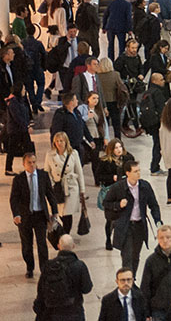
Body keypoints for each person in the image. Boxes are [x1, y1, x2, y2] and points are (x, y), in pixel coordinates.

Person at [104, 159, 163, 274]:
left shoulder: (145, 186)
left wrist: (158, 221)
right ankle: (128, 282)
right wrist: (118, 205)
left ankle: (132, 279)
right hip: (125, 227)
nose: (138, 173)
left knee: (136, 256)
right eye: (135, 171)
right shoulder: (118, 187)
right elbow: (106, 203)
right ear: (127, 173)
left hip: (139, 226)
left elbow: (153, 205)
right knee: (127, 257)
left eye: (139, 170)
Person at [11, 150, 59, 278]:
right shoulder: (18, 179)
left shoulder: (43, 176)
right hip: (25, 216)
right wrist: (16, 214)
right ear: (24, 164)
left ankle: (44, 269)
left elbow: (50, 194)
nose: (32, 165)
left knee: (42, 243)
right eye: (29, 163)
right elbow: (14, 199)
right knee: (27, 245)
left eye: (34, 162)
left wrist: (54, 211)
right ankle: (29, 267)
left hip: (40, 215)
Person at [33, 234, 92, 321]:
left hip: (52, 312)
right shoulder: (80, 266)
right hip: (74, 312)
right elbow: (86, 288)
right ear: (73, 246)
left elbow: (41, 289)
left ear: (58, 246)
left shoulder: (49, 265)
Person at [45, 131, 86, 234]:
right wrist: (51, 185)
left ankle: (65, 234)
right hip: (57, 188)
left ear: (66, 141)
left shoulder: (73, 153)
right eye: (57, 141)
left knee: (68, 213)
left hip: (71, 187)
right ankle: (63, 234)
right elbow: (47, 172)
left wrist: (82, 190)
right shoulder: (50, 155)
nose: (59, 143)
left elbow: (79, 172)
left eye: (61, 141)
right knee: (60, 213)